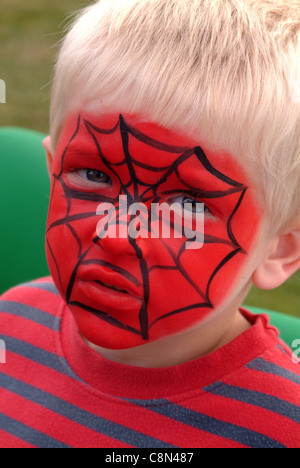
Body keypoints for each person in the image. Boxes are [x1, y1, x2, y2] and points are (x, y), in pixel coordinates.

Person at [0, 0, 299, 448]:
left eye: (187, 203)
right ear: (52, 171)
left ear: (278, 249)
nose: (117, 234)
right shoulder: (11, 326)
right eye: (95, 176)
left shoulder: (283, 427)